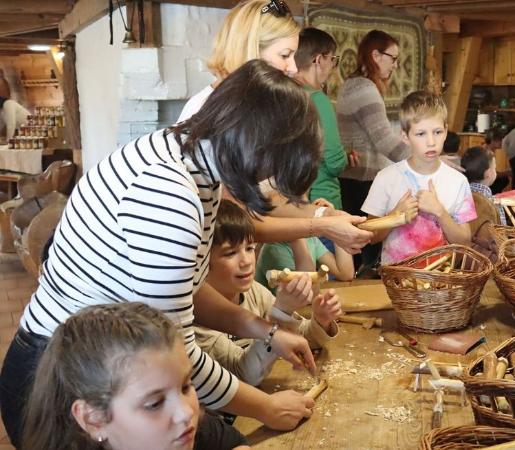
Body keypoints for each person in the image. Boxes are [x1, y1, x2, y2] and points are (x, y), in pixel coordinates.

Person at [0, 60, 320, 447]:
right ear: (254, 143)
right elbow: (175, 351)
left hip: (118, 372)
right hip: (69, 383)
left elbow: (182, 290)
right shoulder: (170, 194)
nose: (267, 180)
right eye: (273, 166)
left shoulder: (192, 166)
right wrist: (266, 407)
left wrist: (264, 330)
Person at [177, 0, 372, 256]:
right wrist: (321, 226)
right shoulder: (215, 111)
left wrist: (326, 213)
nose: (292, 68)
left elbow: (266, 200)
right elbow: (239, 220)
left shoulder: (249, 110)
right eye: (285, 55)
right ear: (250, 50)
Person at [23, 302, 250, 450]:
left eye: (185, 386)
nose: (187, 411)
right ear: (94, 419)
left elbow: (233, 443)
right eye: (154, 403)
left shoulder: (186, 429)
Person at [197, 202, 341, 386]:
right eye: (230, 253)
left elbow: (299, 337)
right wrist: (282, 311)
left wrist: (321, 320)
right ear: (200, 263)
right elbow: (244, 375)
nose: (246, 261)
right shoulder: (198, 321)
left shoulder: (254, 292)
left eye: (249, 248)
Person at [361, 90, 476, 265]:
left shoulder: (458, 181)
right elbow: (370, 236)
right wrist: (395, 216)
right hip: (396, 281)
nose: (431, 142)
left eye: (437, 132)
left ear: (446, 131)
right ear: (405, 137)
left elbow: (464, 242)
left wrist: (439, 212)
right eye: (421, 134)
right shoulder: (386, 178)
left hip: (441, 281)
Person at [337, 30, 408, 273]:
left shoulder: (353, 84)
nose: (395, 65)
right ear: (376, 55)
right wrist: (422, 160)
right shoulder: (364, 88)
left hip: (354, 179)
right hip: (363, 182)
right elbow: (384, 140)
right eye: (393, 58)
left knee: (360, 247)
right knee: (367, 250)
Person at [292, 27, 347, 214]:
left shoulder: (284, 94)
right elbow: (335, 163)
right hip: (321, 200)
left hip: (291, 202)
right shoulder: (318, 100)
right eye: (332, 59)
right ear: (319, 59)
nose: (332, 67)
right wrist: (344, 156)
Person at [461, 146, 505, 225]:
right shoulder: (495, 203)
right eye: (494, 168)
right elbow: (502, 232)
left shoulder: (459, 197)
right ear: (488, 173)